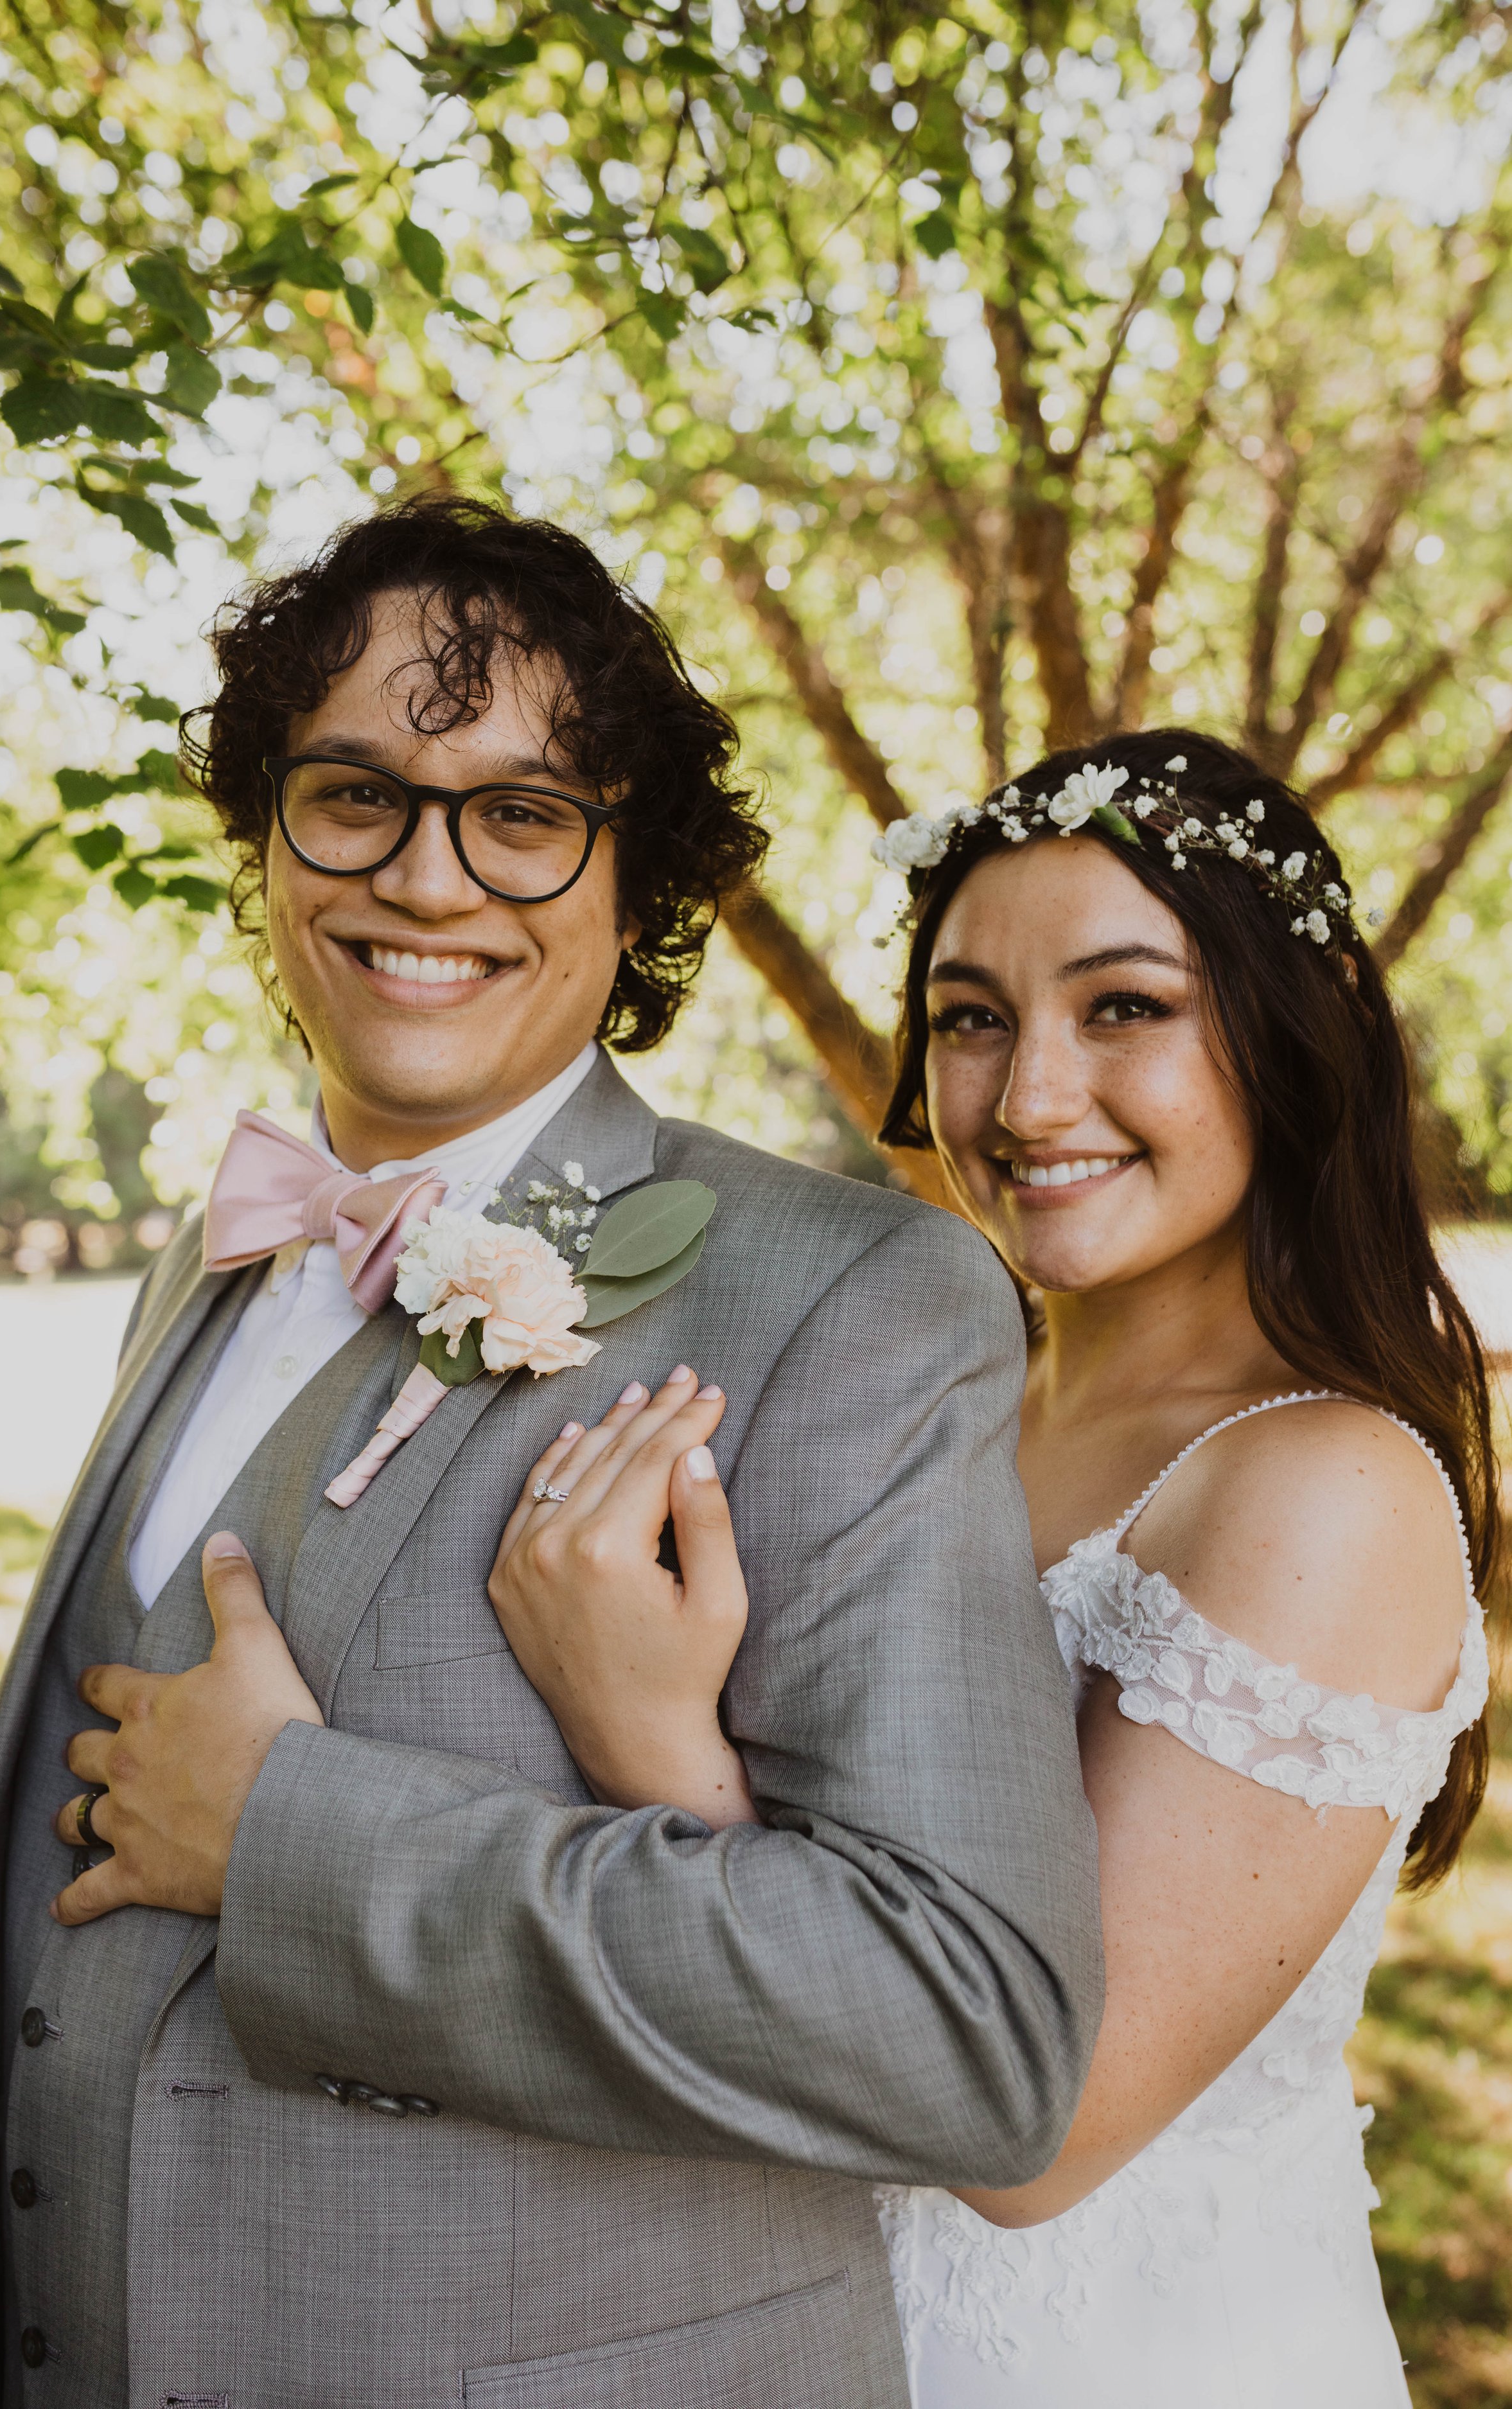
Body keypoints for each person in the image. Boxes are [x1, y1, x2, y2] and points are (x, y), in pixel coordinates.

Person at [0, 495, 1103, 2408]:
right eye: (356, 792)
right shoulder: (211, 1253)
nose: (428, 876)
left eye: (523, 814)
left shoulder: (852, 1300)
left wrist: (284, 1835)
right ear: (267, 833)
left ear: (639, 884)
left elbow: (961, 2038)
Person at [483, 728, 1495, 2408]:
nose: (1025, 1098)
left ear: (1284, 1033)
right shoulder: (941, 1413)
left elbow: (1031, 2126)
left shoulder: (1321, 1488)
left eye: (1122, 1008)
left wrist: (650, 1744)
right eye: (969, 1018)